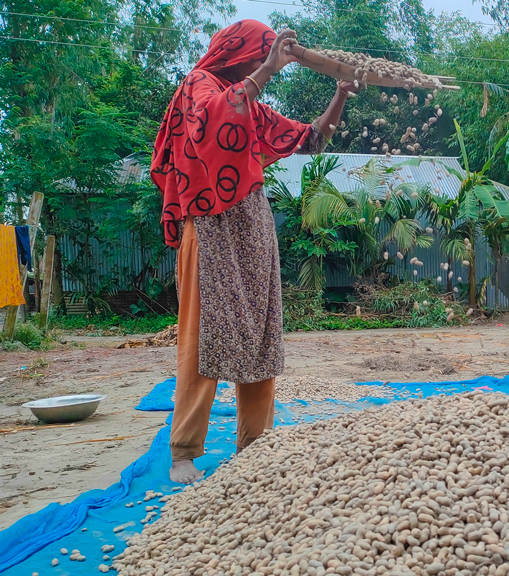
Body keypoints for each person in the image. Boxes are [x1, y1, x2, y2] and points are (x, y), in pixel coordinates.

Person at [151, 20, 357, 484]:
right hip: (208, 226)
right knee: (204, 335)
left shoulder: (251, 104)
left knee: (262, 333)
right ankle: (184, 451)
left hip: (252, 227)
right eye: (259, 53)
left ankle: (255, 444)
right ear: (240, 51)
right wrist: (267, 68)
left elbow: (309, 138)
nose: (263, 62)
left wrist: (340, 94)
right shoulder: (198, 86)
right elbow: (209, 124)